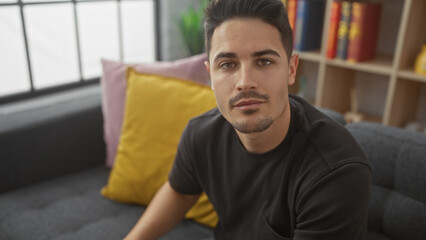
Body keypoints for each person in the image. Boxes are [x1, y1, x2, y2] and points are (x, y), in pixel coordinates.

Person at [124, 0, 371, 239]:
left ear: (291, 69)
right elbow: (180, 193)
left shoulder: (336, 173)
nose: (245, 82)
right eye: (228, 64)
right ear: (210, 76)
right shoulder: (200, 135)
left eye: (264, 61)